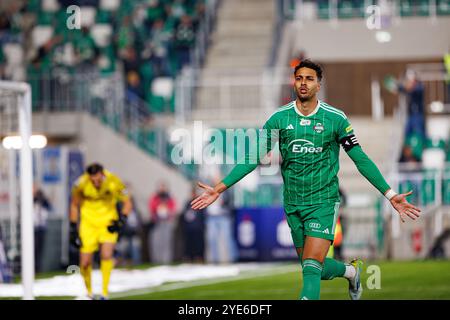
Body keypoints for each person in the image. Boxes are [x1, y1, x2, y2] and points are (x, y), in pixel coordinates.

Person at [191, 59, 421, 300]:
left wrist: (390, 194)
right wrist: (219, 188)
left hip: (323, 201)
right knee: (313, 268)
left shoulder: (336, 119)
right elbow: (253, 158)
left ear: (318, 85)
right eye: (299, 78)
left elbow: (360, 159)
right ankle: (351, 272)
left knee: (311, 268)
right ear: (294, 82)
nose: (303, 83)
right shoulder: (279, 119)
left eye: (309, 78)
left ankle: (347, 273)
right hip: (293, 203)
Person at [69, 163, 132, 300]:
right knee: (85, 262)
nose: (95, 183)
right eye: (93, 180)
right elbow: (74, 204)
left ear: (102, 174)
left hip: (107, 223)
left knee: (106, 255)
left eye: (98, 180)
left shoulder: (114, 181)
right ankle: (89, 292)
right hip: (88, 224)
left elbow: (127, 202)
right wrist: (73, 227)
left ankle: (104, 292)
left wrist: (122, 220)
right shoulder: (81, 184)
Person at [148, 182, 177, 264]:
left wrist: (168, 211)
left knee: (166, 242)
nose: (162, 189)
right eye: (161, 187)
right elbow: (151, 207)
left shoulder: (170, 198)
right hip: (157, 222)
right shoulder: (155, 197)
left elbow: (173, 208)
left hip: (167, 222)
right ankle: (156, 260)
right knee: (156, 242)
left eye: (163, 187)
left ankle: (166, 260)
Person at [180, 185, 206, 263]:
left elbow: (202, 214)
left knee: (199, 243)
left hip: (198, 227)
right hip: (189, 227)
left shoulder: (201, 201)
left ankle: (199, 257)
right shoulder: (188, 203)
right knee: (188, 244)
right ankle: (188, 257)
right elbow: (185, 214)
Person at [33, 186, 52, 273]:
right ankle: (32, 267)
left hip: (41, 227)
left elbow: (49, 207)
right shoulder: (31, 201)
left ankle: (38, 268)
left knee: (39, 249)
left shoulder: (42, 201)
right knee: (33, 249)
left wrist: (42, 198)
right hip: (33, 228)